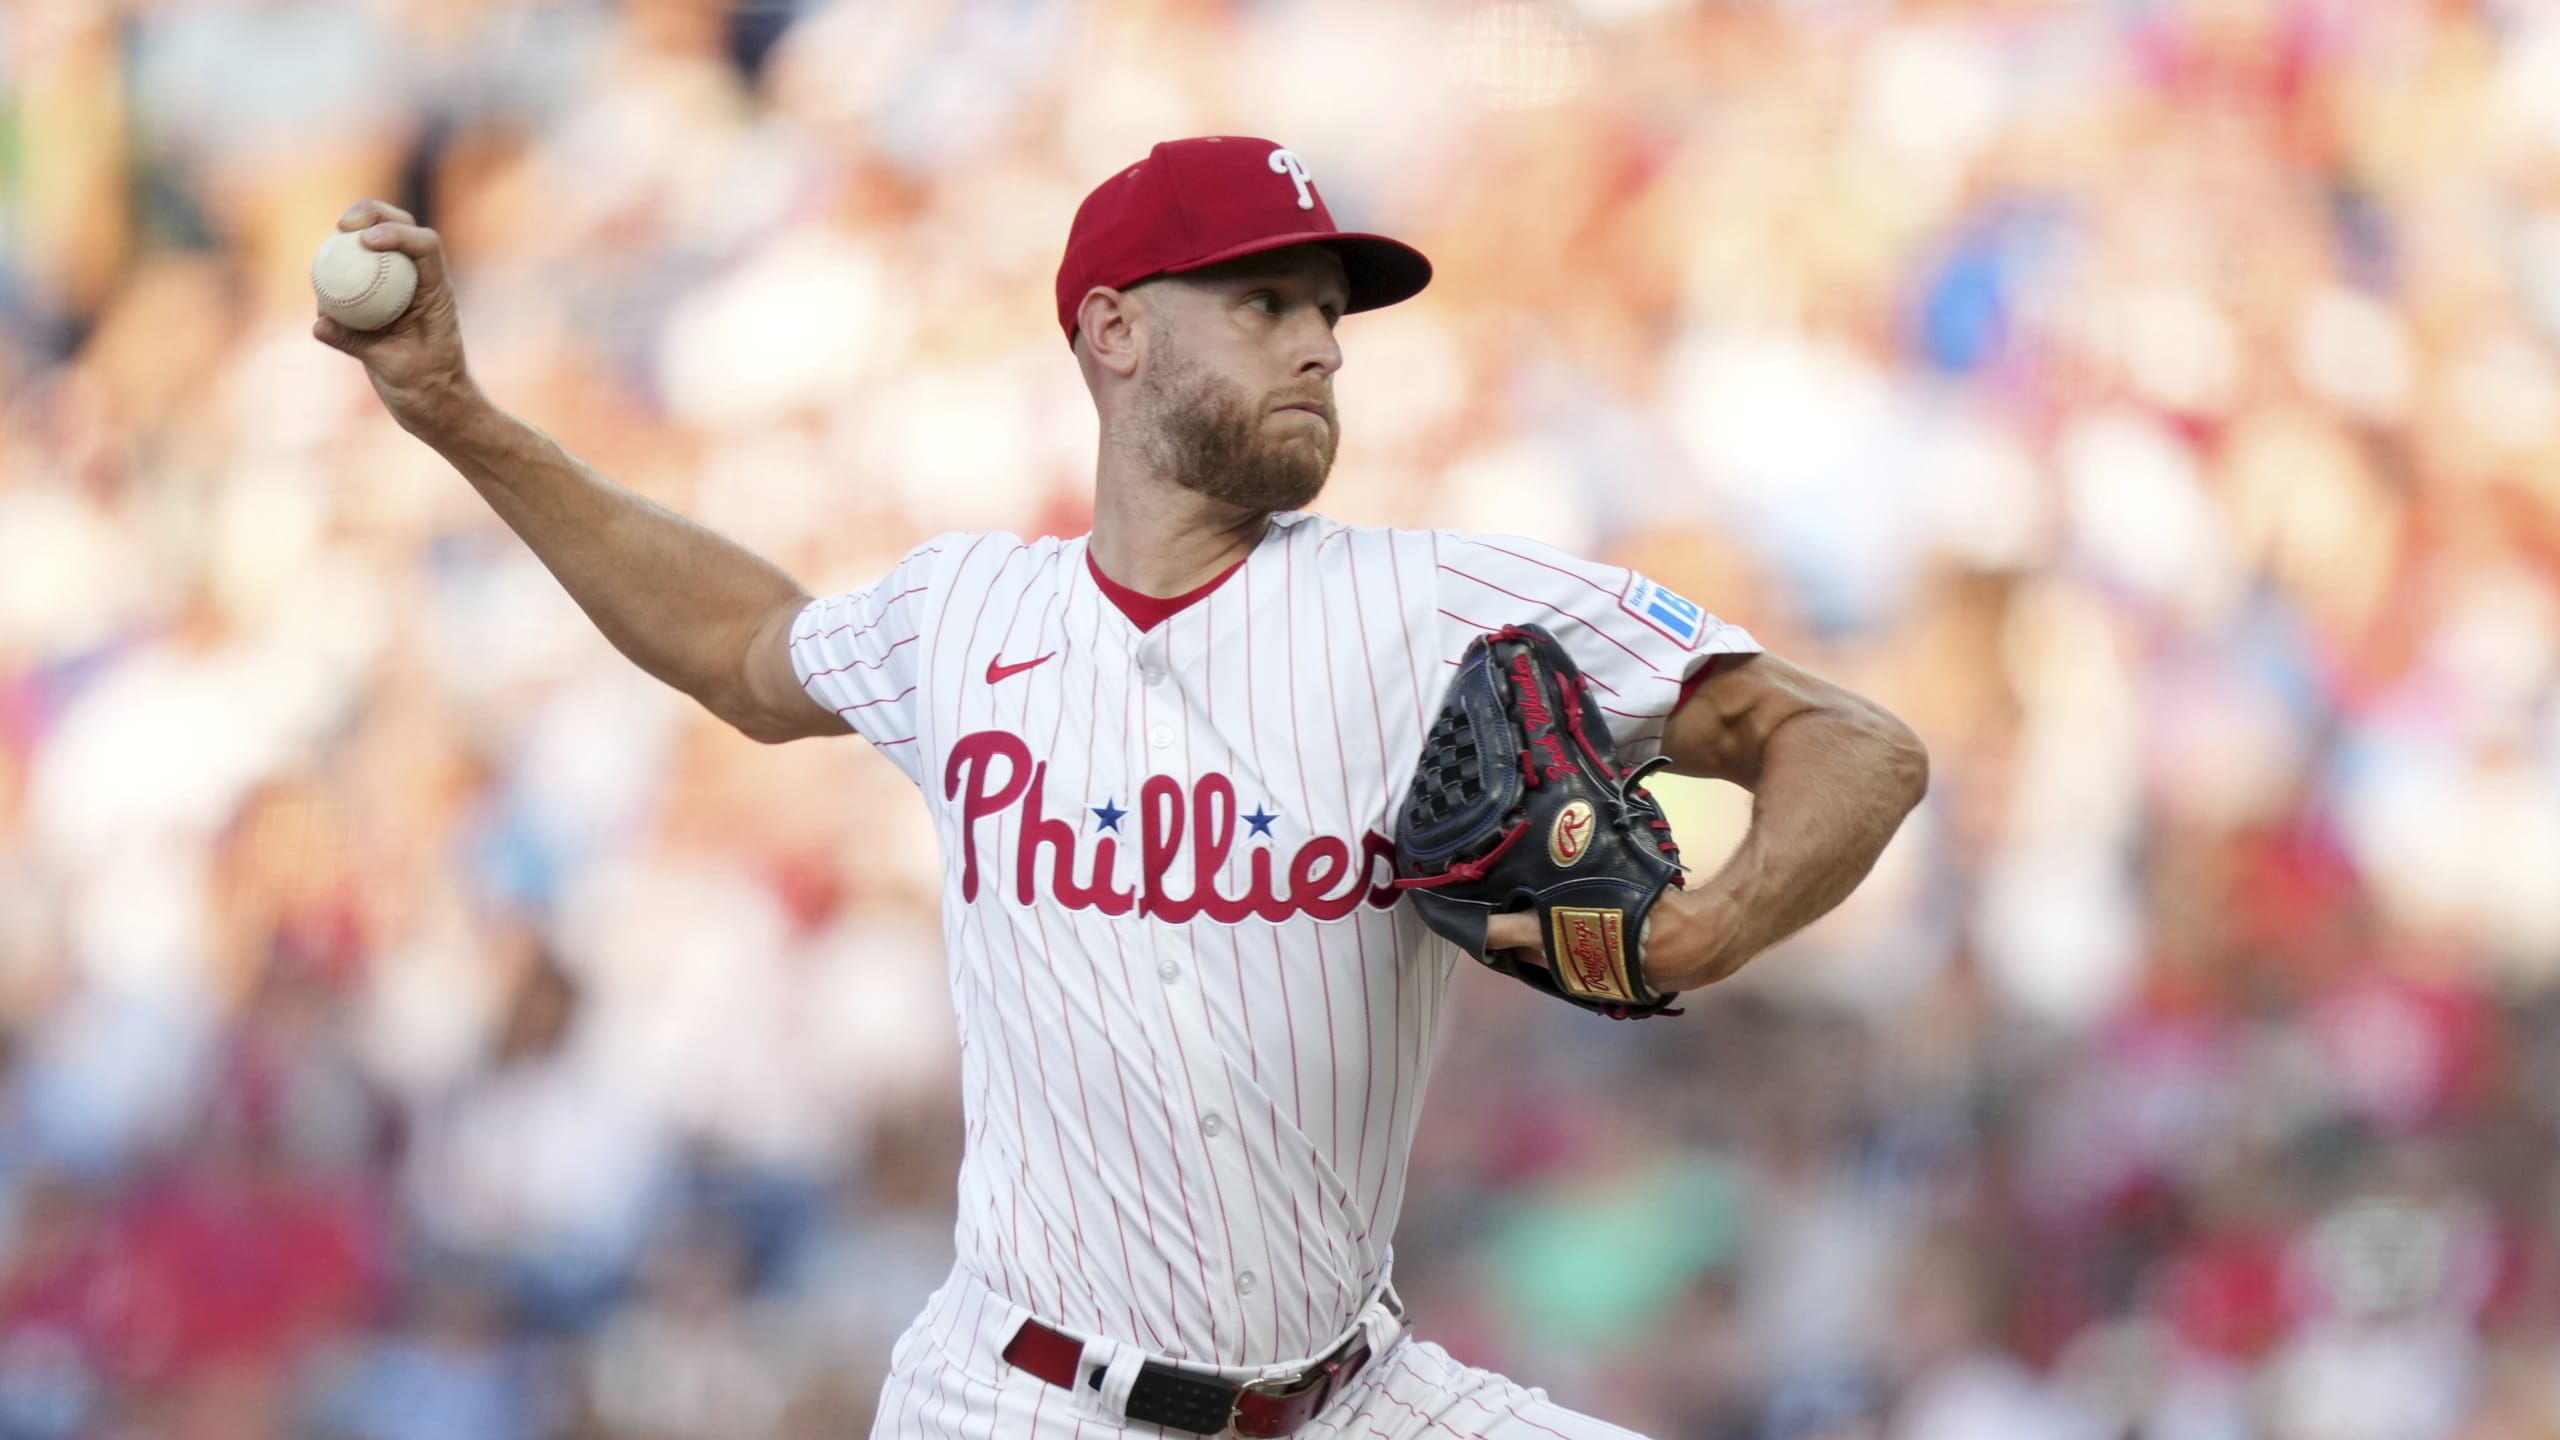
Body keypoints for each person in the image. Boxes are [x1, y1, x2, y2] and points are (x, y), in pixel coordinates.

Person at [319, 134, 1929, 1440]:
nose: (1319, 343)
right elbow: (741, 650)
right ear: (1113, 331)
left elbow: (1857, 743)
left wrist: (1707, 928)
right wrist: (459, 417)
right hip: (1015, 1401)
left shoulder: (1442, 606)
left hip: (1354, 1396)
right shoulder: (964, 615)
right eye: (1265, 301)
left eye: (1330, 314)